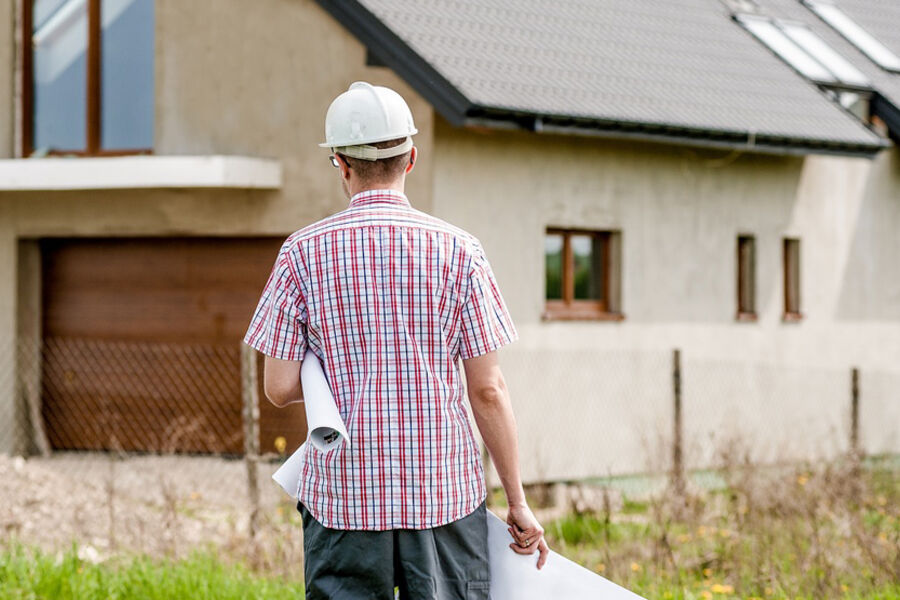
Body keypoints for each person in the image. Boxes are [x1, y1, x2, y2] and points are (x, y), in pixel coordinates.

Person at [244, 81, 548, 599]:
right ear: (411, 157)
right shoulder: (460, 252)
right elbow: (488, 390)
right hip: (443, 498)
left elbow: (277, 386)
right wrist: (517, 501)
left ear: (340, 163)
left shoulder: (301, 253)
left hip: (343, 501)